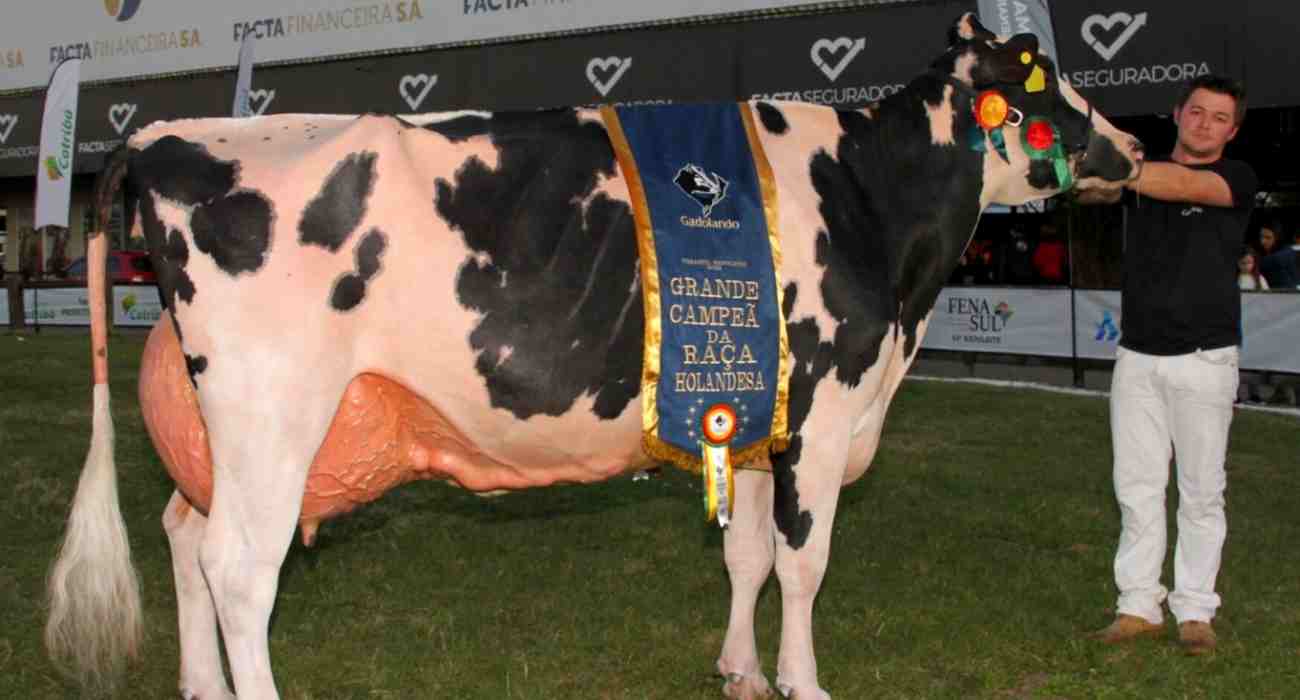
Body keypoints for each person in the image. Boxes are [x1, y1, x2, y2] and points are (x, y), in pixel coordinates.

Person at [1079, 75, 1257, 655]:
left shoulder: (1235, 178)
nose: (1205, 124)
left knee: (1202, 493)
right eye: (1197, 112)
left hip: (1206, 359)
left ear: (1233, 129)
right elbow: (1091, 193)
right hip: (1137, 358)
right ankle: (1136, 606)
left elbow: (1185, 184)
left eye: (1219, 117)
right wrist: (1080, 172)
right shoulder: (1138, 176)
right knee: (1136, 488)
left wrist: (1121, 171)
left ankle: (1196, 611)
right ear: (1177, 113)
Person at [1258, 224, 1300, 290]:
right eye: (1261, 237)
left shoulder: (1272, 260)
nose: (1262, 241)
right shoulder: (1290, 251)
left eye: (1268, 237)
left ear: (1277, 238)